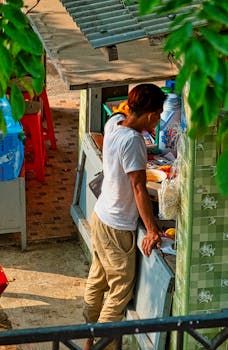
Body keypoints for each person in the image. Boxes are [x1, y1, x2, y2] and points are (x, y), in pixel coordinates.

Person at [83, 83, 166, 350]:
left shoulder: (114, 125)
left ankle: (86, 335)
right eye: (159, 114)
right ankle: (100, 346)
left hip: (101, 215)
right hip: (118, 226)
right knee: (119, 292)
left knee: (98, 278)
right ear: (153, 115)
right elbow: (139, 187)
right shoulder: (133, 141)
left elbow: (118, 113)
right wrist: (153, 230)